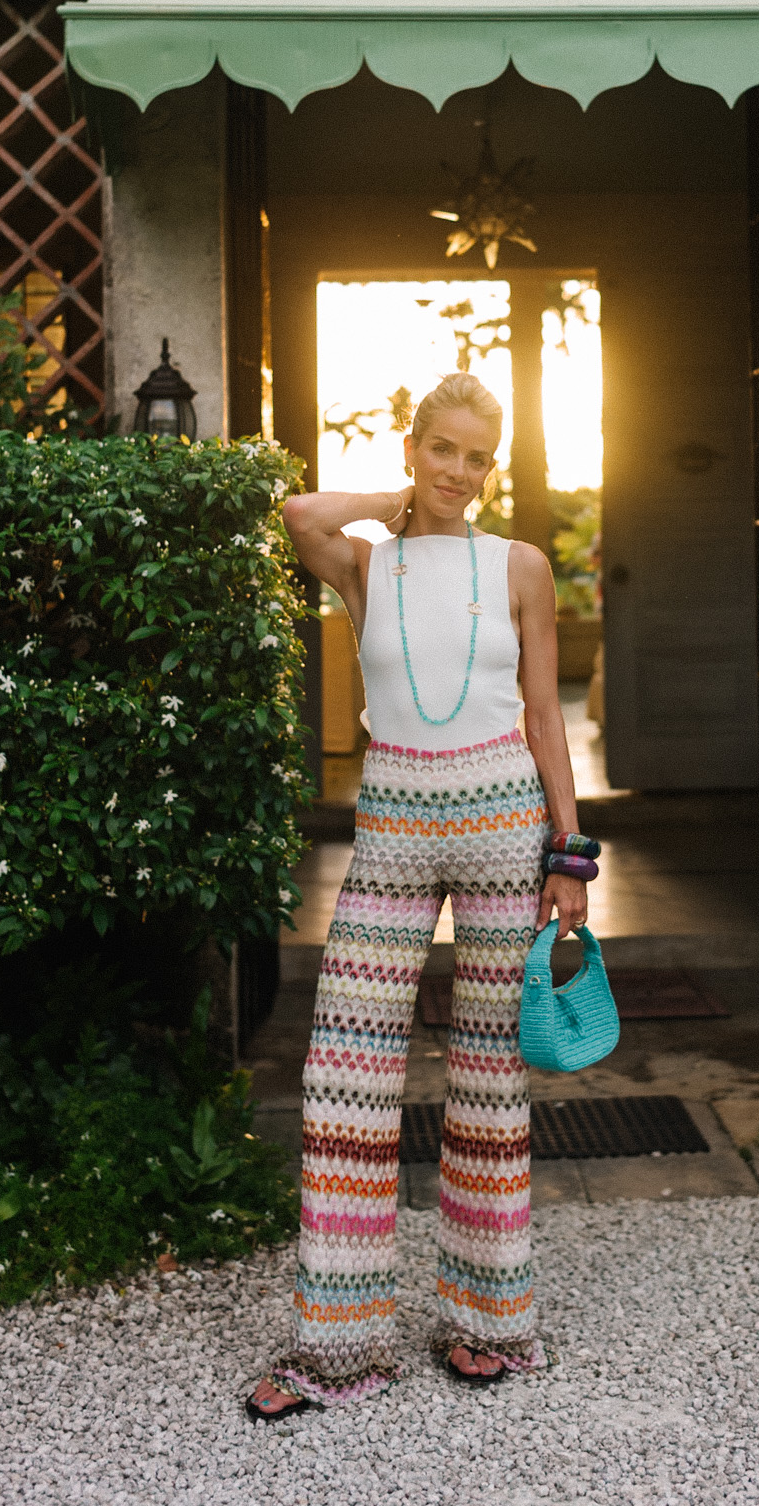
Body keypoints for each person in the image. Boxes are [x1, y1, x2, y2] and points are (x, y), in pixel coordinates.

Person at [247, 371, 590, 1416]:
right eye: (443, 448)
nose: (459, 471)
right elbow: (296, 513)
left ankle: (488, 1323)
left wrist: (570, 854)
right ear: (414, 447)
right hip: (392, 827)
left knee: (490, 1081)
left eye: (478, 457)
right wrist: (391, 503)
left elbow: (543, 714)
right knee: (343, 1076)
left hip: (505, 828)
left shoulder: (520, 565)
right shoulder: (366, 563)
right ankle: (339, 1349)